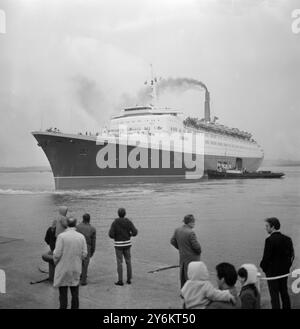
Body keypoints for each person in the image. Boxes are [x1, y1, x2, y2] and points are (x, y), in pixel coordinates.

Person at [260, 217, 294, 309]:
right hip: (284, 272)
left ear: (273, 227)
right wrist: (287, 267)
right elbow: (291, 256)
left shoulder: (269, 240)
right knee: (284, 293)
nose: (265, 228)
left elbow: (266, 258)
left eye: (267, 226)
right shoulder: (288, 239)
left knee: (274, 296)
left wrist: (264, 268)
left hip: (272, 273)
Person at [53, 217, 87, 309]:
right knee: (75, 294)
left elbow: (57, 254)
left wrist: (56, 262)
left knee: (63, 295)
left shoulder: (61, 236)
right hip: (76, 268)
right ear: (75, 224)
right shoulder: (81, 237)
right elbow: (84, 254)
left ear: (67, 224)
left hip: (63, 269)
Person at [108, 208, 138, 286]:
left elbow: (111, 234)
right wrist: (130, 235)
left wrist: (116, 236)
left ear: (118, 214)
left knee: (119, 262)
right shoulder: (128, 222)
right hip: (127, 244)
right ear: (125, 214)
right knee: (128, 261)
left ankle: (120, 280)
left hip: (118, 244)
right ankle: (129, 279)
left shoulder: (115, 222)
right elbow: (135, 232)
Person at [170, 214, 201, 288]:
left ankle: (184, 292)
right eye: (193, 222)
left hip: (183, 256)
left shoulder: (177, 230)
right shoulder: (191, 232)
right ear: (190, 222)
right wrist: (198, 252)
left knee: (183, 275)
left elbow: (172, 241)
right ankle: (191, 293)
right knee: (192, 276)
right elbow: (197, 247)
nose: (194, 223)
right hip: (192, 258)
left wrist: (180, 248)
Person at [76, 213, 96, 285]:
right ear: (89, 219)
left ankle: (77, 277)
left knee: (78, 262)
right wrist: (92, 251)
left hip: (78, 245)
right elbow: (93, 241)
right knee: (85, 264)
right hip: (87, 246)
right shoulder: (92, 229)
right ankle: (83, 281)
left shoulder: (77, 227)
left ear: (82, 219)